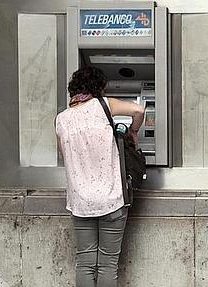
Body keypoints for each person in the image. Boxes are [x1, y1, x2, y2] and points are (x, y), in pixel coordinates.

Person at [55, 66, 145, 287]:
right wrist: (133, 132)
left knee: (85, 263)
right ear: (99, 88)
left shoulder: (61, 119)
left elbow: (63, 154)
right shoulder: (104, 105)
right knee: (107, 265)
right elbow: (139, 110)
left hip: (81, 203)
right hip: (111, 200)